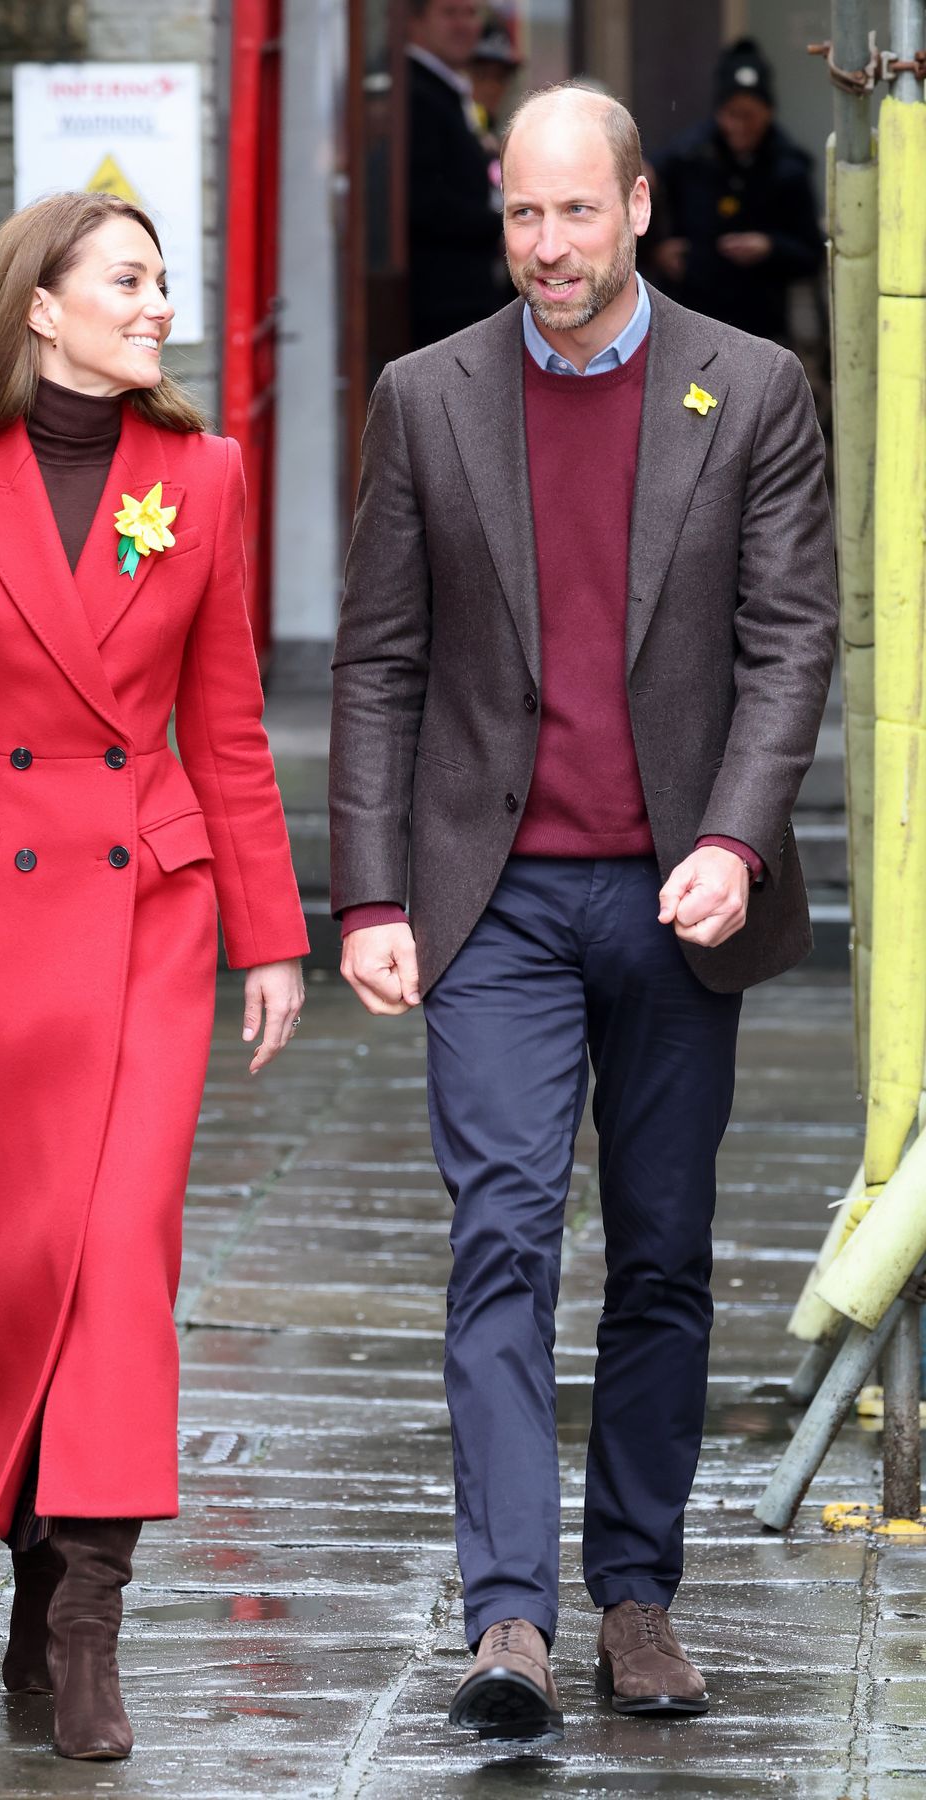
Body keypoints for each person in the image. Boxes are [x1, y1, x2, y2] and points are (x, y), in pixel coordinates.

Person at [330, 84, 836, 1738]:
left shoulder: (751, 387)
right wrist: (374, 892)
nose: (546, 246)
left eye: (574, 213)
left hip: (679, 901)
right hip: (498, 904)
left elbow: (787, 644)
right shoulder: (427, 397)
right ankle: (508, 1624)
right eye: (521, 217)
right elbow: (382, 662)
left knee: (667, 1257)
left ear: (635, 209)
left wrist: (741, 839)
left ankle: (635, 1599)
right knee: (498, 1242)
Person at [0, 192, 308, 1761]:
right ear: (42, 305)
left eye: (165, 276)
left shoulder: (206, 474)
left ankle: (91, 1617)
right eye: (131, 278)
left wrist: (272, 931)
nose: (161, 301)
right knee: (15, 1267)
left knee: (119, 1262)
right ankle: (37, 1556)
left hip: (147, 906)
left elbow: (227, 722)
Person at [649, 37, 824, 343]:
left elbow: (811, 253)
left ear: (768, 112)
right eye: (732, 114)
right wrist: (657, 250)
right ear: (718, 113)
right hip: (690, 317)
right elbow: (642, 185)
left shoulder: (790, 168)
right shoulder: (688, 154)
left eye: (750, 115)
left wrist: (769, 247)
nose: (740, 125)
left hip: (760, 326)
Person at [407, 0, 504, 348]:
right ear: (415, 21)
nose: (464, 24)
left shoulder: (444, 89)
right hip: (440, 305)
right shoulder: (414, 93)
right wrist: (504, 224)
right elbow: (422, 202)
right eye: (450, 12)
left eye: (471, 12)